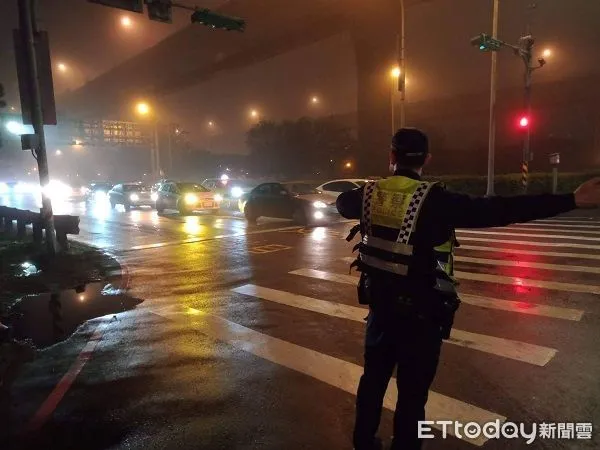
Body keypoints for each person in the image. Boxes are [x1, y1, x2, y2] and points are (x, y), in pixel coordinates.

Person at [336, 128, 600, 450]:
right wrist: (571, 199)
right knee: (412, 396)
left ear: (391, 157)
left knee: (372, 383)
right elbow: (502, 210)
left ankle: (364, 443)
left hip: (380, 312)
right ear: (427, 159)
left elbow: (342, 203)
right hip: (422, 318)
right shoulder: (436, 201)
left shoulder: (364, 196)